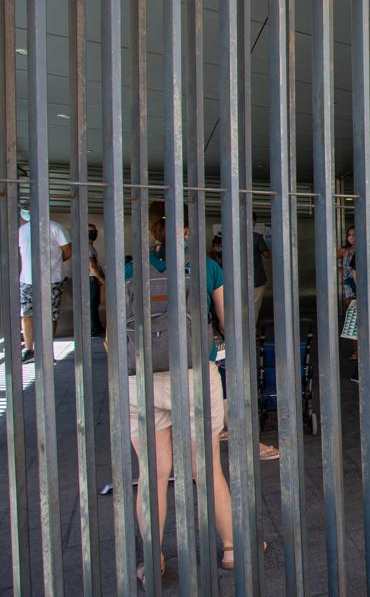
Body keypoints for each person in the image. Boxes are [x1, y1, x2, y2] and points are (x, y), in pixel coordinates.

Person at [114, 208, 236, 581]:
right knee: (205, 466)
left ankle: (153, 560)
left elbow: (111, 331)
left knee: (153, 471)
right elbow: (227, 320)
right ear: (185, 229)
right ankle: (232, 549)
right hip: (193, 374)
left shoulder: (129, 269)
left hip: (142, 377)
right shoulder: (206, 267)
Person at [17, 204, 72, 362]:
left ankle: (42, 350)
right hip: (30, 279)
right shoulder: (22, 230)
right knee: (32, 314)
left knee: (44, 315)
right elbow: (67, 251)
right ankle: (30, 349)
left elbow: (68, 251)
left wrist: (52, 263)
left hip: (49, 279)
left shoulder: (55, 227)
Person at [86, 223, 106, 337]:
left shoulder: (91, 247)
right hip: (90, 279)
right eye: (90, 231)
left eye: (94, 231)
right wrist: (101, 278)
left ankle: (95, 327)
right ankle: (94, 328)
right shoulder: (87, 247)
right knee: (92, 305)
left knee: (94, 304)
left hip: (92, 279)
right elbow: (92, 266)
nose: (93, 233)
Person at [252, 213, 271, 319]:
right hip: (257, 280)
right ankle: (251, 332)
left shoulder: (231, 236)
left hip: (236, 282)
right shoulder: (256, 237)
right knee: (254, 309)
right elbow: (266, 255)